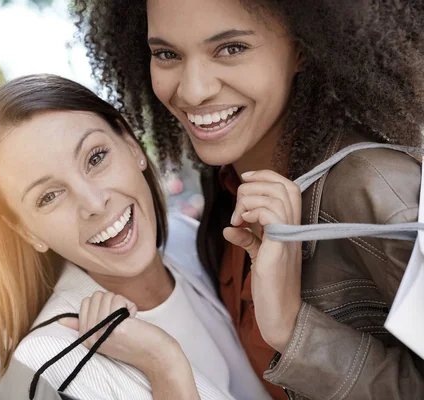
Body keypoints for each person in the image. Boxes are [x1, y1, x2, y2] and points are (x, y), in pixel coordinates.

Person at [74, 1, 424, 398]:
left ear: (303, 47)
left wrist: (292, 329)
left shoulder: (376, 191)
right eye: (167, 54)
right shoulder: (224, 186)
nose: (193, 89)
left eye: (231, 48)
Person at [0, 74, 270, 399]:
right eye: (49, 196)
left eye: (96, 158)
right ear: (25, 230)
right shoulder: (50, 370)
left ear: (130, 143)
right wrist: (163, 364)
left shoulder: (195, 243)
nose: (94, 204)